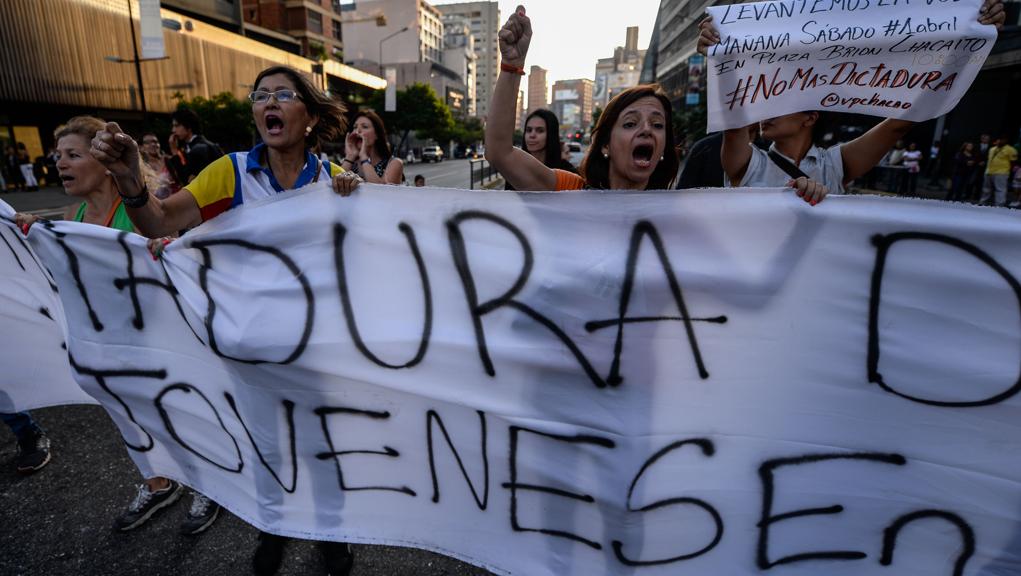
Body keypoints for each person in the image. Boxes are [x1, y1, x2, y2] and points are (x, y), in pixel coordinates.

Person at [86, 64, 362, 576]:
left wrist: (354, 189)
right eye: (261, 96)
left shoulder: (332, 181)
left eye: (283, 95)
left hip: (316, 351)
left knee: (324, 449)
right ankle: (273, 529)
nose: (269, 103)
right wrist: (129, 178)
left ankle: (332, 535)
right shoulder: (231, 171)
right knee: (265, 448)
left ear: (308, 116)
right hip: (249, 351)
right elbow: (161, 219)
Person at [12, 116, 217, 537]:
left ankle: (209, 487)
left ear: (106, 162)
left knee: (177, 415)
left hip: (159, 344)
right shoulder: (72, 216)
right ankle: (158, 484)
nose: (60, 164)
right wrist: (31, 239)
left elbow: (184, 267)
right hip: (107, 343)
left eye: (73, 155)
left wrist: (167, 247)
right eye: (57, 156)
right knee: (126, 416)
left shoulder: (143, 210)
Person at [697, 0, 1005, 203]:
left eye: (781, 101)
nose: (767, 110)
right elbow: (734, 121)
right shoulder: (748, 163)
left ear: (810, 117)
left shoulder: (834, 165)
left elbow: (900, 123)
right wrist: (720, 57)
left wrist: (968, 47)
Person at [486, 8, 678, 192]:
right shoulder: (571, 191)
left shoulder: (677, 212)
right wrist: (512, 66)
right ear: (605, 145)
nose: (646, 130)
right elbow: (499, 153)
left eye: (657, 125)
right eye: (630, 124)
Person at [342, 109, 403, 185]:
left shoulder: (394, 163)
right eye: (355, 127)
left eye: (365, 127)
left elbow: (379, 192)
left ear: (377, 134)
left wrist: (364, 157)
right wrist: (350, 156)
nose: (358, 131)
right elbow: (334, 188)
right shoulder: (349, 162)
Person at [167, 108, 222, 185]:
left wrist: (174, 151)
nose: (173, 130)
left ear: (188, 127)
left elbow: (186, 180)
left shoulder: (199, 148)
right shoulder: (190, 146)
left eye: (177, 126)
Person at [979, 135, 1018, 207]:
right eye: (998, 140)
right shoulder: (992, 149)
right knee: (986, 189)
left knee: (1000, 189)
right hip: (989, 171)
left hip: (1001, 172)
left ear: (1005, 141)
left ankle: (999, 205)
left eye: (1001, 140)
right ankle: (982, 202)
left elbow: (1013, 162)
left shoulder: (1010, 149)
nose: (998, 141)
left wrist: (1010, 173)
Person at [139, 133, 179, 200]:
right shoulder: (142, 168)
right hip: (158, 207)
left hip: (178, 201)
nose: (153, 144)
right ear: (142, 147)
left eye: (155, 141)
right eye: (147, 143)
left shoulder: (169, 160)